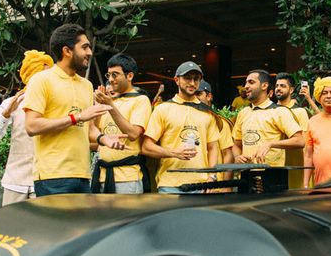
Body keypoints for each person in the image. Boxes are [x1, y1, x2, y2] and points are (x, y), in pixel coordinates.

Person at [23, 24, 117, 196]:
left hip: (82, 175)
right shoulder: (41, 80)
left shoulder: (87, 85)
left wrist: (104, 139)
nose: (89, 52)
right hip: (52, 177)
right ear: (67, 51)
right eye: (85, 47)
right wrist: (77, 117)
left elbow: (88, 130)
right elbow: (31, 126)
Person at [0, 50, 54, 204]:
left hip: (45, 182)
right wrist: (6, 114)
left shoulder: (56, 103)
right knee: (11, 227)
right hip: (14, 182)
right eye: (45, 75)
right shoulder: (11, 103)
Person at [142, 61, 220, 193]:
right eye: (187, 78)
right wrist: (173, 152)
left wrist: (212, 177)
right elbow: (146, 147)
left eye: (196, 79)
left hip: (200, 184)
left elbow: (213, 148)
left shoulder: (207, 113)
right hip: (169, 184)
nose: (192, 83)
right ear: (176, 80)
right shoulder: (163, 109)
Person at [90, 54, 152, 194]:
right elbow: (92, 135)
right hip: (102, 175)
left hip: (127, 177)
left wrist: (110, 105)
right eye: (109, 75)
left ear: (129, 76)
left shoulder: (140, 100)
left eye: (115, 75)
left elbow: (133, 134)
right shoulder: (109, 100)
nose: (110, 79)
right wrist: (97, 106)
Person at [233, 70, 304, 166]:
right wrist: (237, 156)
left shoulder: (280, 111)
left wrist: (270, 144)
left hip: (272, 176)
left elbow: (299, 141)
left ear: (264, 86)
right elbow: (236, 145)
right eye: (246, 82)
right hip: (246, 175)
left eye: (251, 82)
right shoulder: (243, 113)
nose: (246, 86)